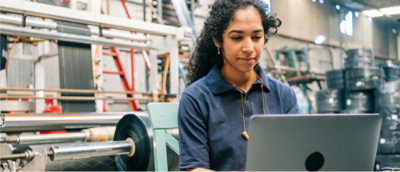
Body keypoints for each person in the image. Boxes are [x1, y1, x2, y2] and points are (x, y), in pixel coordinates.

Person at [178, 0, 300, 171]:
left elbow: (297, 158)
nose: (249, 47)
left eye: (256, 37)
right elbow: (194, 168)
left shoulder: (284, 96)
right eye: (237, 37)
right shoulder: (196, 99)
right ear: (217, 40)